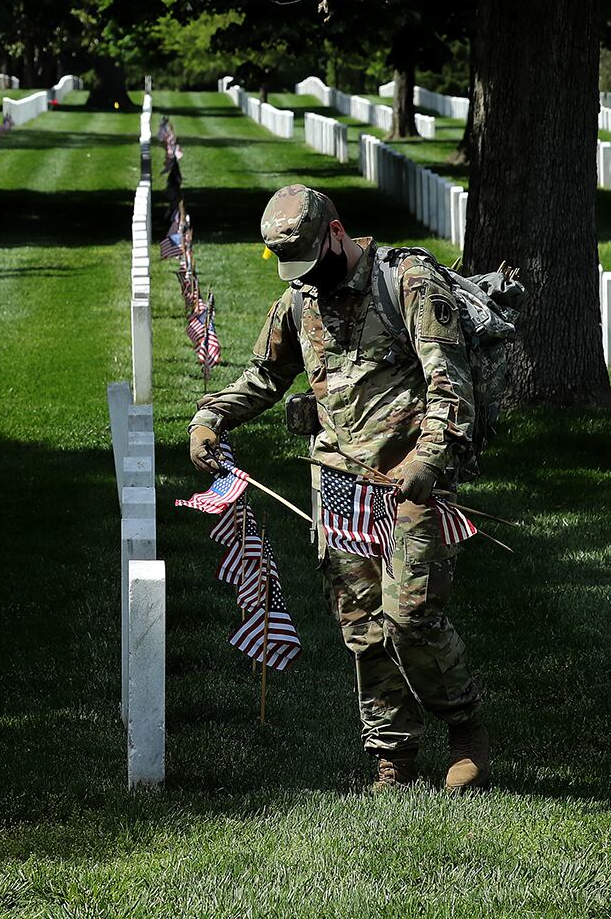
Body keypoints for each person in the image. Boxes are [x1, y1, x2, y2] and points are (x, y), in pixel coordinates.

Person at [188, 184, 489, 792]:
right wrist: (211, 416)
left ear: (335, 232)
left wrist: (426, 463)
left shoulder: (406, 285)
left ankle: (465, 728)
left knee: (411, 616)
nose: (305, 279)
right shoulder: (299, 301)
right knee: (364, 628)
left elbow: (449, 386)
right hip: (338, 484)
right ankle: (394, 761)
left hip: (412, 482)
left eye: (311, 262)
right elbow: (265, 376)